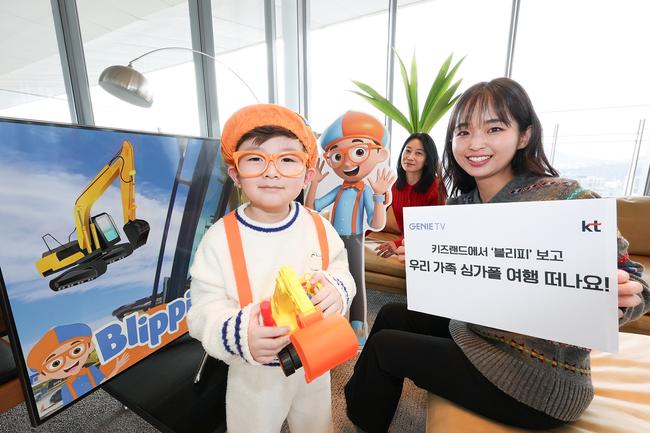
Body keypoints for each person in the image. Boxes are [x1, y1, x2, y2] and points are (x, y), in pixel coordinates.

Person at [344, 77, 650, 432]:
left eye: (494, 128)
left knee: (386, 347)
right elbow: (461, 289)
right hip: (478, 337)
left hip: (538, 381)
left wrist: (623, 298)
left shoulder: (565, 199)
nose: (476, 143)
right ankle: (360, 410)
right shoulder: (461, 207)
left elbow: (640, 286)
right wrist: (425, 262)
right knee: (393, 313)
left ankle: (360, 419)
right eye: (463, 131)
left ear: (524, 136)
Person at [187, 104, 356, 433]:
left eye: (288, 159)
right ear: (235, 174)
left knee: (317, 425)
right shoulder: (219, 238)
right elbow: (203, 311)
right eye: (255, 159)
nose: (272, 172)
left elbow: (341, 270)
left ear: (307, 175)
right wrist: (242, 335)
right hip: (255, 373)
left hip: (316, 359)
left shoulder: (319, 226)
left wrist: (337, 289)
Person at [305, 111, 396, 346]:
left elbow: (376, 223)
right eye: (337, 156)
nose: (347, 163)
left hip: (354, 241)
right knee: (327, 283)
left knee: (356, 283)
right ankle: (328, 328)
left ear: (380, 154)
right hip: (331, 241)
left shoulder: (366, 190)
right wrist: (314, 183)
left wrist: (378, 197)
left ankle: (358, 332)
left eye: (358, 152)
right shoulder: (340, 190)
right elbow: (311, 208)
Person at [374, 132, 447, 259]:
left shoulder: (436, 188)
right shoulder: (395, 186)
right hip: (407, 244)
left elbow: (434, 232)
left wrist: (397, 244)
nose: (410, 157)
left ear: (427, 160)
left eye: (418, 153)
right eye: (407, 151)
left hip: (431, 247)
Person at [27, 323, 129, 405]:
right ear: (44, 373)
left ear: (89, 346)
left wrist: (117, 367)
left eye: (76, 350)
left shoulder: (91, 371)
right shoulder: (66, 389)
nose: (69, 362)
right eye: (56, 363)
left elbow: (104, 379)